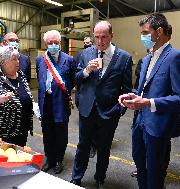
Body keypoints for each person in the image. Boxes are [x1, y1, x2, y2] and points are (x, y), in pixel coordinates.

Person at [119, 13, 180, 189]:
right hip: (140, 123)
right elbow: (143, 89)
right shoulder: (146, 59)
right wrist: (131, 95)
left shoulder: (176, 57)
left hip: (158, 127)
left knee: (155, 175)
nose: (142, 37)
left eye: (145, 32)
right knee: (141, 169)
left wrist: (149, 103)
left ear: (159, 32)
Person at [71, 20, 132, 188]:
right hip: (87, 110)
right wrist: (86, 71)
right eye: (96, 37)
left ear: (112, 35)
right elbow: (76, 80)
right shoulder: (86, 54)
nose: (100, 41)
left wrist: (119, 109)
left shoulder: (124, 58)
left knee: (104, 149)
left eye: (104, 37)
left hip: (109, 112)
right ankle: (76, 177)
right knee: (83, 146)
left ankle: (100, 178)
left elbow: (127, 89)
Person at [36, 30, 76, 174]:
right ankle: (50, 159)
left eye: (56, 42)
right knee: (47, 133)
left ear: (60, 43)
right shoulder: (40, 59)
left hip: (61, 103)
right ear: (46, 43)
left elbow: (72, 81)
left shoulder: (69, 60)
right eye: (50, 43)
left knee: (61, 133)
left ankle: (59, 159)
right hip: (45, 103)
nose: (53, 45)